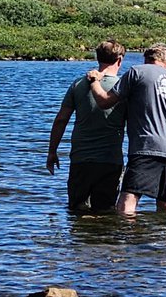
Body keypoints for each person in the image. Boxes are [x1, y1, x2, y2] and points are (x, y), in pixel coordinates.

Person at [85, 42, 166, 215]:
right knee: (165, 205)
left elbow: (104, 101)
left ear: (146, 58)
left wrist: (94, 81)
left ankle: (127, 232)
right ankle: (165, 232)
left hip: (145, 147)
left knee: (127, 201)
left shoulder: (137, 72)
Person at [46, 40, 127, 210]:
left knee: (77, 210)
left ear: (97, 58)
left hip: (80, 159)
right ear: (120, 60)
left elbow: (61, 120)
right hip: (110, 160)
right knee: (105, 212)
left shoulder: (78, 84)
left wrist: (52, 151)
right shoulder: (124, 87)